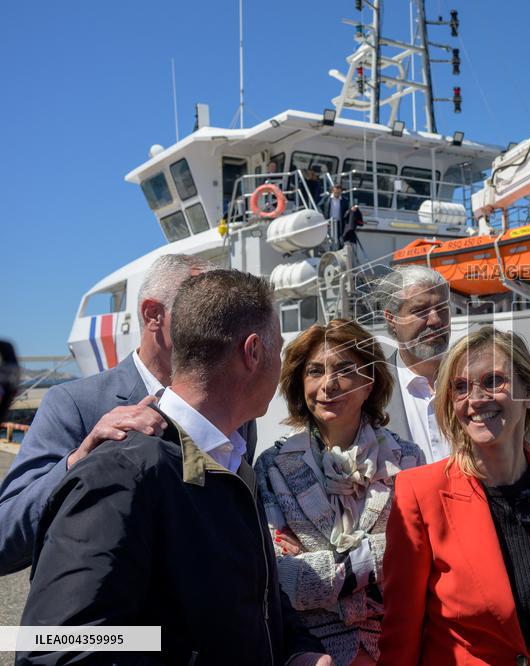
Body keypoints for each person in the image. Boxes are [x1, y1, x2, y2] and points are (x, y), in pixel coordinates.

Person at [18, 270, 330, 666]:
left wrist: (296, 650)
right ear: (252, 352)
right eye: (279, 349)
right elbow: (58, 649)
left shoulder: (233, 465)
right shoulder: (122, 472)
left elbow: (250, 597)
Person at [0, 253, 258, 575]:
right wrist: (79, 461)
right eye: (200, 309)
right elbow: (4, 540)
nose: (219, 329)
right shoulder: (73, 404)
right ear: (153, 315)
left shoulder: (237, 415)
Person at [378, 326, 530, 665]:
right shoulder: (420, 493)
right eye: (460, 387)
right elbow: (400, 639)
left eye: (494, 381)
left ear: (529, 392)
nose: (476, 399)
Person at [254, 319, 424, 664]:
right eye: (314, 371)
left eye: (345, 370)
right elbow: (286, 581)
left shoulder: (407, 459)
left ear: (368, 383)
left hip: (399, 648)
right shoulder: (272, 467)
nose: (328, 385)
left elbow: (419, 568)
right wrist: (383, 552)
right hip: (315, 655)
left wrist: (326, 580)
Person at [378, 266, 452, 463]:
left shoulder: (476, 381)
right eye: (420, 310)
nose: (435, 320)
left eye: (443, 309)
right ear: (391, 318)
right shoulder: (371, 392)